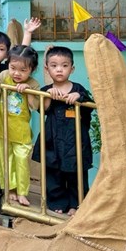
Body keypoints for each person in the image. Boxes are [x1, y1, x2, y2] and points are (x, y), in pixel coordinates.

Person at [32, 46, 94, 216]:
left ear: (72, 69)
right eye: (54, 66)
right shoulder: (46, 90)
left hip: (75, 140)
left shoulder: (79, 89)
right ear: (47, 69)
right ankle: (57, 202)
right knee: (53, 174)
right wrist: (48, 96)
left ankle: (76, 204)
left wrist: (79, 98)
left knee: (76, 174)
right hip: (52, 139)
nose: (59, 69)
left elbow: (89, 107)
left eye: (64, 65)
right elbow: (42, 109)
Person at [0, 45, 40, 207]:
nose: (17, 73)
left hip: (21, 132)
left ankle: (22, 192)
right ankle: (9, 189)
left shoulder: (33, 83)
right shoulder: (4, 75)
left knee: (22, 161)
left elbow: (34, 106)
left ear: (32, 69)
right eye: (13, 68)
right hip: (1, 128)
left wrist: (28, 91)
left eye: (23, 70)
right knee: (5, 161)